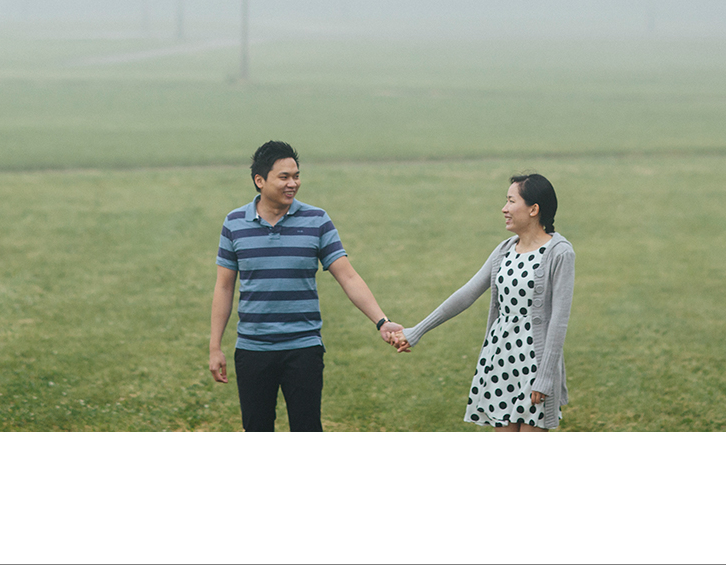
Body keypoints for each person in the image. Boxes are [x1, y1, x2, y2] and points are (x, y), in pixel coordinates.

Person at [209, 140, 408, 431]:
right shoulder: (234, 223)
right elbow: (224, 287)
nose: (293, 183)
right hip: (253, 350)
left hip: (303, 349)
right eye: (284, 177)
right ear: (259, 181)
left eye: (296, 176)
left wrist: (381, 321)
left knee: (307, 429)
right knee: (256, 429)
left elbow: (348, 276)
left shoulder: (317, 220)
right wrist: (215, 347)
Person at [401, 174, 573, 431]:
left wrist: (545, 377)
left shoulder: (560, 253)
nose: (504, 209)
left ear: (534, 209)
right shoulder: (504, 250)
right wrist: (416, 331)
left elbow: (559, 321)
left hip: (534, 365)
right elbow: (466, 294)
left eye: (511, 201)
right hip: (501, 358)